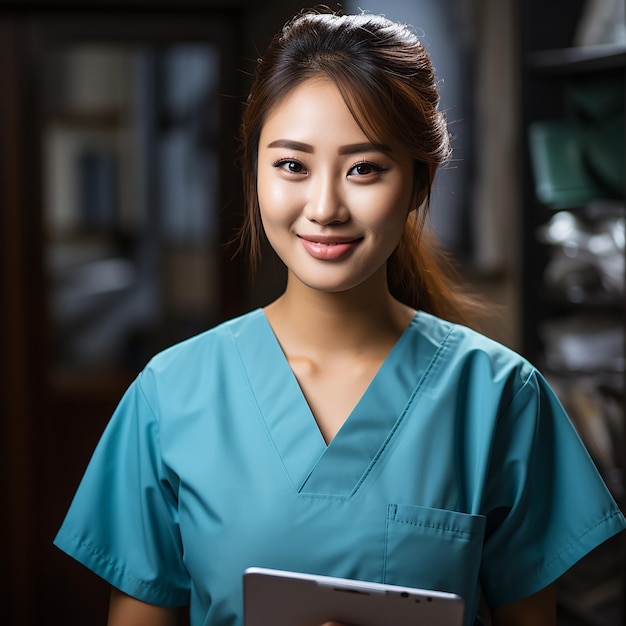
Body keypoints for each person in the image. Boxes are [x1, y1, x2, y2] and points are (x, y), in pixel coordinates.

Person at [54, 7, 626, 626]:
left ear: (417, 183)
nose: (325, 207)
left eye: (364, 170)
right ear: (254, 175)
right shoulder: (170, 396)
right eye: (292, 166)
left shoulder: (496, 397)